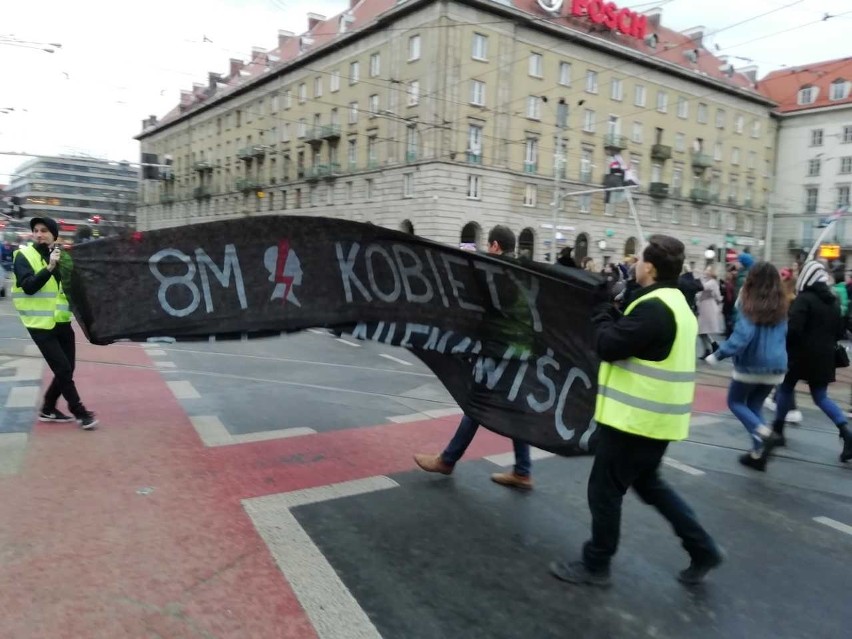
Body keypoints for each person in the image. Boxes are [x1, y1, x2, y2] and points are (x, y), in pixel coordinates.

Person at [550, 235, 722, 588]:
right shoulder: (674, 302)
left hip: (634, 422)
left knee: (604, 490)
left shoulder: (655, 308)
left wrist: (599, 311)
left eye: (640, 259)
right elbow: (635, 338)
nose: (635, 263)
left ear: (651, 267)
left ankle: (596, 564)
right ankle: (702, 548)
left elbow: (608, 345)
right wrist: (616, 310)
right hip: (657, 421)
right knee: (648, 484)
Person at [414, 225, 533, 489]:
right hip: (518, 350)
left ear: (494, 246)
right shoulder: (521, 273)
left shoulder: (499, 274)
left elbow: (488, 313)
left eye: (488, 246)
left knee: (477, 404)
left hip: (501, 352)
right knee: (513, 410)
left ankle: (447, 460)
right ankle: (522, 470)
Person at [11, 217, 98, 430]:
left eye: (44, 231)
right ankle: (80, 412)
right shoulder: (23, 256)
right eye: (36, 230)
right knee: (62, 368)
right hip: (39, 324)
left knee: (68, 369)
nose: (39, 234)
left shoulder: (63, 258)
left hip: (61, 321)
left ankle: (48, 408)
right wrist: (50, 267)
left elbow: (74, 289)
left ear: (54, 235)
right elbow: (29, 286)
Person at [705, 263, 788, 471]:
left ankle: (766, 435)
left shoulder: (748, 302)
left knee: (735, 402)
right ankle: (758, 454)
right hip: (777, 367)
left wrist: (718, 354)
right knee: (754, 406)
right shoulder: (781, 304)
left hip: (752, 366)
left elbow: (742, 336)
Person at [771, 261, 852, 463]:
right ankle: (846, 432)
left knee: (785, 388)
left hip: (799, 356)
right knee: (820, 397)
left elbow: (794, 329)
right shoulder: (833, 301)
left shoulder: (804, 299)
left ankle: (778, 430)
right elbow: (840, 331)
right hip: (824, 358)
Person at [696, 265, 723, 358]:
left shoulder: (712, 282)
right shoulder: (708, 281)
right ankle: (710, 347)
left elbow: (717, 296)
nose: (705, 272)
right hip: (704, 307)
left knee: (702, 330)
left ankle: (712, 346)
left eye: (707, 270)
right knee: (701, 330)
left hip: (708, 308)